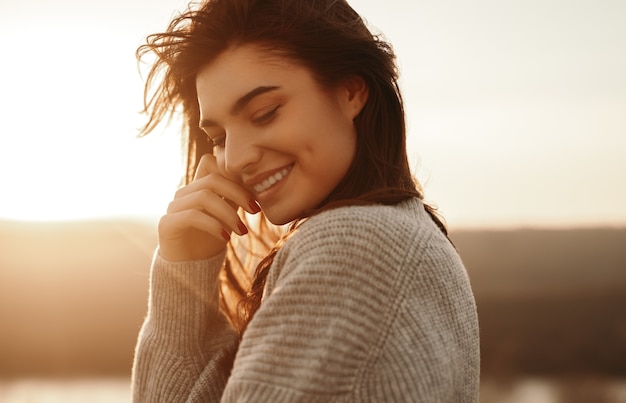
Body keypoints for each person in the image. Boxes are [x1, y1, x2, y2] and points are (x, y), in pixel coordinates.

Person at [131, 0, 480, 401]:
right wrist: (184, 270)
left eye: (264, 113)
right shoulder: (401, 235)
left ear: (351, 91)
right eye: (219, 138)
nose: (238, 157)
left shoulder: (358, 245)